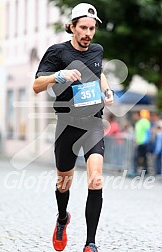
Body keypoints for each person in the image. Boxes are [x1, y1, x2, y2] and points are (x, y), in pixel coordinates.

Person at [33, 3, 114, 252]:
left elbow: (98, 73)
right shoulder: (57, 52)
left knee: (96, 180)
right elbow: (36, 85)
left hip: (93, 124)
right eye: (83, 28)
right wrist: (59, 75)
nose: (88, 33)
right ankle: (62, 218)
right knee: (63, 184)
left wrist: (107, 89)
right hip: (67, 124)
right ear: (72, 27)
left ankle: (90, 243)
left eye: (92, 28)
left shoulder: (97, 50)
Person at [131, 110, 151, 176]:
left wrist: (145, 141)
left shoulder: (144, 122)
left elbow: (147, 132)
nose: (133, 117)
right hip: (140, 143)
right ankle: (143, 171)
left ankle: (139, 171)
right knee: (141, 157)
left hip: (143, 143)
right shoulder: (138, 123)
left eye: (134, 115)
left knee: (139, 157)